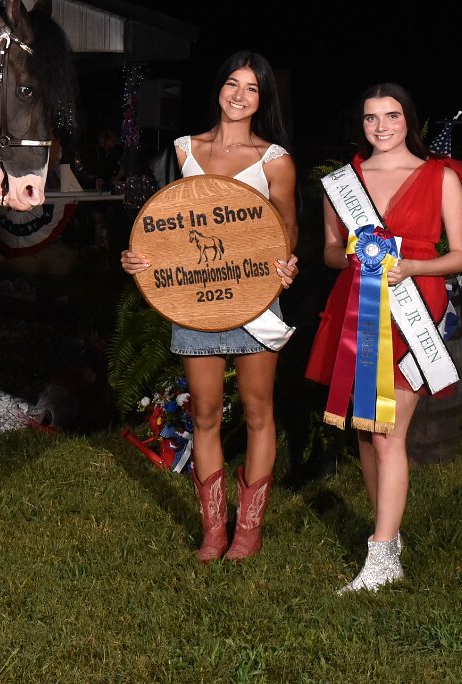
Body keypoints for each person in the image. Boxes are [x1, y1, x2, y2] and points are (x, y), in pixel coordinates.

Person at [120, 51, 300, 562]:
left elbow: (287, 226)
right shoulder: (183, 152)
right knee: (203, 413)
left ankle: (248, 529)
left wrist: (287, 262)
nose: (239, 95)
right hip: (195, 302)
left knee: (259, 412)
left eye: (252, 88)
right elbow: (158, 223)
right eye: (232, 84)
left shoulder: (275, 160)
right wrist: (137, 258)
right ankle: (214, 530)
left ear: (263, 99)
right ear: (219, 88)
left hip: (255, 303)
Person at [304, 82, 462, 592]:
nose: (381, 126)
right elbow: (330, 251)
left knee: (388, 434)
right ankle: (388, 537)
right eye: (371, 117)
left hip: (414, 306)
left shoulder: (440, 177)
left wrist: (413, 266)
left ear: (408, 120)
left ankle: (380, 558)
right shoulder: (342, 183)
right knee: (365, 429)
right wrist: (353, 255)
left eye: (392, 116)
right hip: (358, 308)